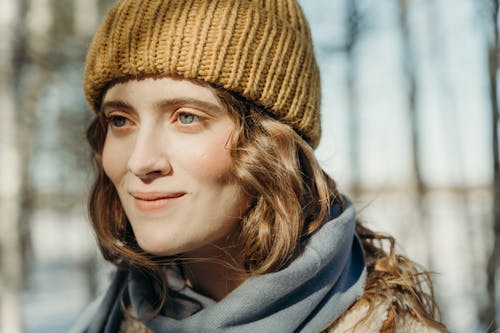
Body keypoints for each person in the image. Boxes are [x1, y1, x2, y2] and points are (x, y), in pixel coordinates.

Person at [72, 0, 448, 332]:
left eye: (186, 117)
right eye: (120, 120)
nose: (140, 161)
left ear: (273, 143)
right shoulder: (115, 316)